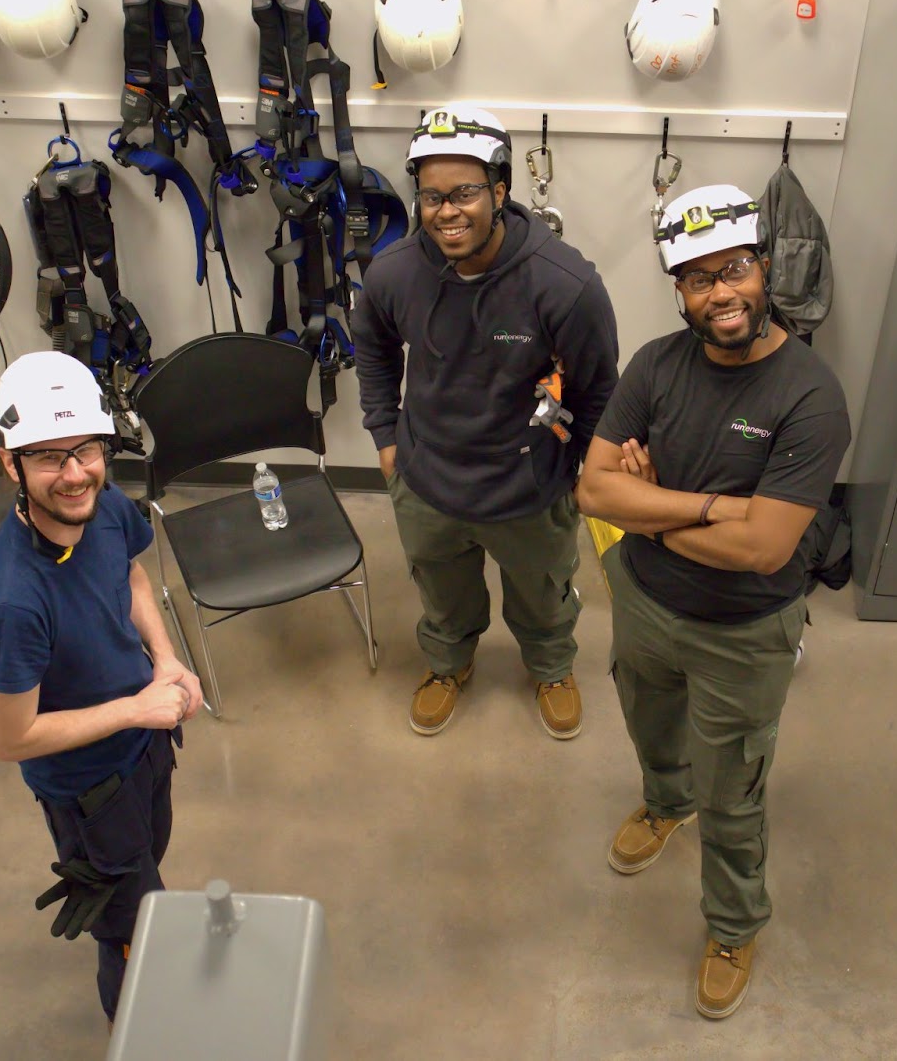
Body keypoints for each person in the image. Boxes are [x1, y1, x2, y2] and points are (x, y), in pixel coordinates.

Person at [577, 184, 850, 1019]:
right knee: (650, 724)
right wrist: (712, 509)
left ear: (763, 267)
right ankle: (665, 802)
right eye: (697, 278)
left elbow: (764, 548)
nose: (720, 293)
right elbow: (592, 489)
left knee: (733, 791)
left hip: (745, 630)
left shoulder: (809, 395)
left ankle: (733, 924)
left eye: (733, 269)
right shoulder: (655, 364)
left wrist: (652, 510)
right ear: (677, 290)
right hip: (646, 603)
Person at [354, 104, 620, 739]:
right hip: (428, 478)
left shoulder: (564, 283)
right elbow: (372, 347)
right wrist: (385, 438)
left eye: (466, 193)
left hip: (528, 482)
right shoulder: (394, 274)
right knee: (443, 595)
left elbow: (598, 386)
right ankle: (448, 664)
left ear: (501, 191)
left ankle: (552, 667)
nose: (448, 211)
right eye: (431, 196)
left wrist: (588, 472)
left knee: (543, 593)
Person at [0, 351, 204, 1025]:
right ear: (9, 463)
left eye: (87, 450)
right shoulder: (10, 603)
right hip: (92, 791)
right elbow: (8, 738)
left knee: (146, 871)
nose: (75, 474)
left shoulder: (103, 506)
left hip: (146, 746)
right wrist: (137, 707)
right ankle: (142, 1027)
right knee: (131, 929)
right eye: (48, 457)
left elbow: (127, 574)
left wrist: (165, 659)